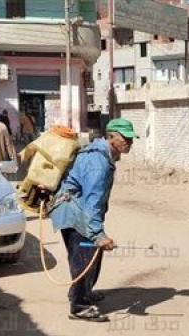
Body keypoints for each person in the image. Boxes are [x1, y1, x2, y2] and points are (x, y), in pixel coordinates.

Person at [49, 118, 138, 322]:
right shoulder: (98, 163)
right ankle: (79, 306)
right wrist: (97, 234)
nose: (129, 142)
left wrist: (97, 234)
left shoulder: (104, 155)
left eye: (131, 139)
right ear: (111, 136)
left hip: (80, 211)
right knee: (83, 258)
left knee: (92, 256)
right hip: (74, 213)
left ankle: (85, 292)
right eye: (125, 138)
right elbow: (93, 202)